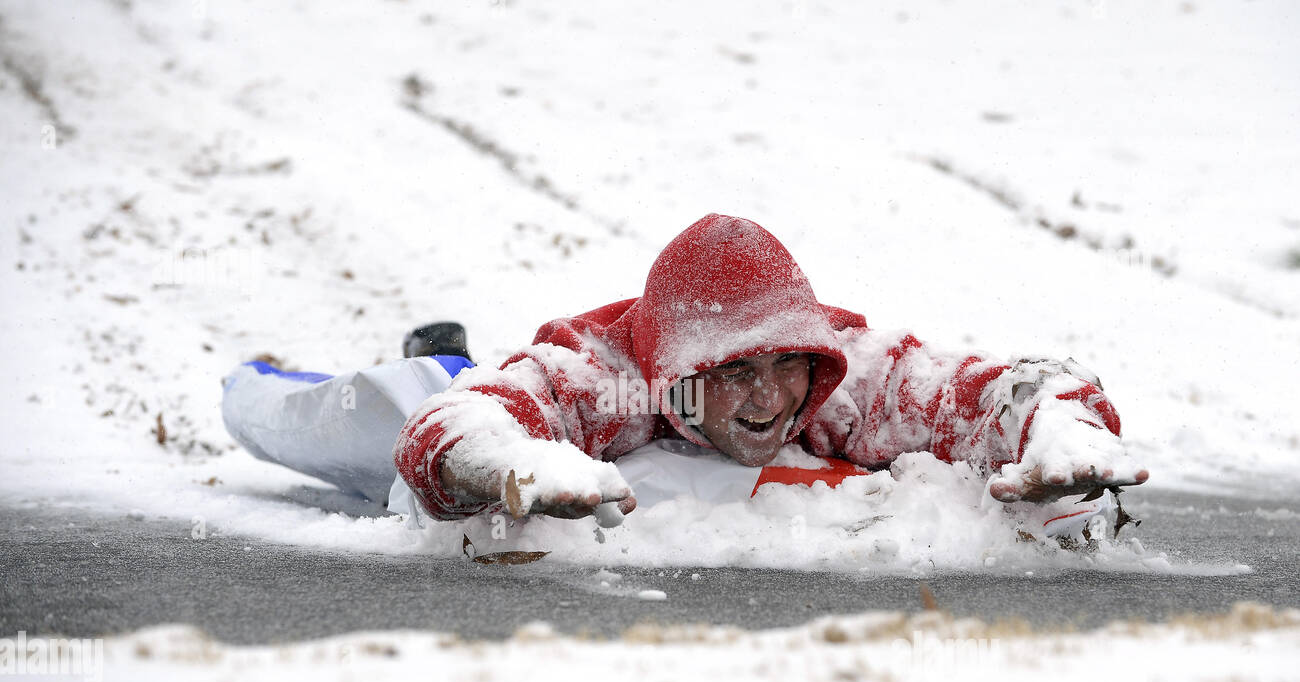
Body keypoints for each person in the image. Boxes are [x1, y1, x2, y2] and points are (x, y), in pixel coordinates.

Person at [224, 213, 1147, 533]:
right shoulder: (605, 373)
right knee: (388, 409)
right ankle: (379, 354)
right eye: (733, 369)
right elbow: (461, 421)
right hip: (459, 386)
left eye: (787, 363)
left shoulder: (848, 373)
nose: (770, 396)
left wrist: (1061, 425)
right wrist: (498, 464)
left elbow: (999, 388)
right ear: (675, 368)